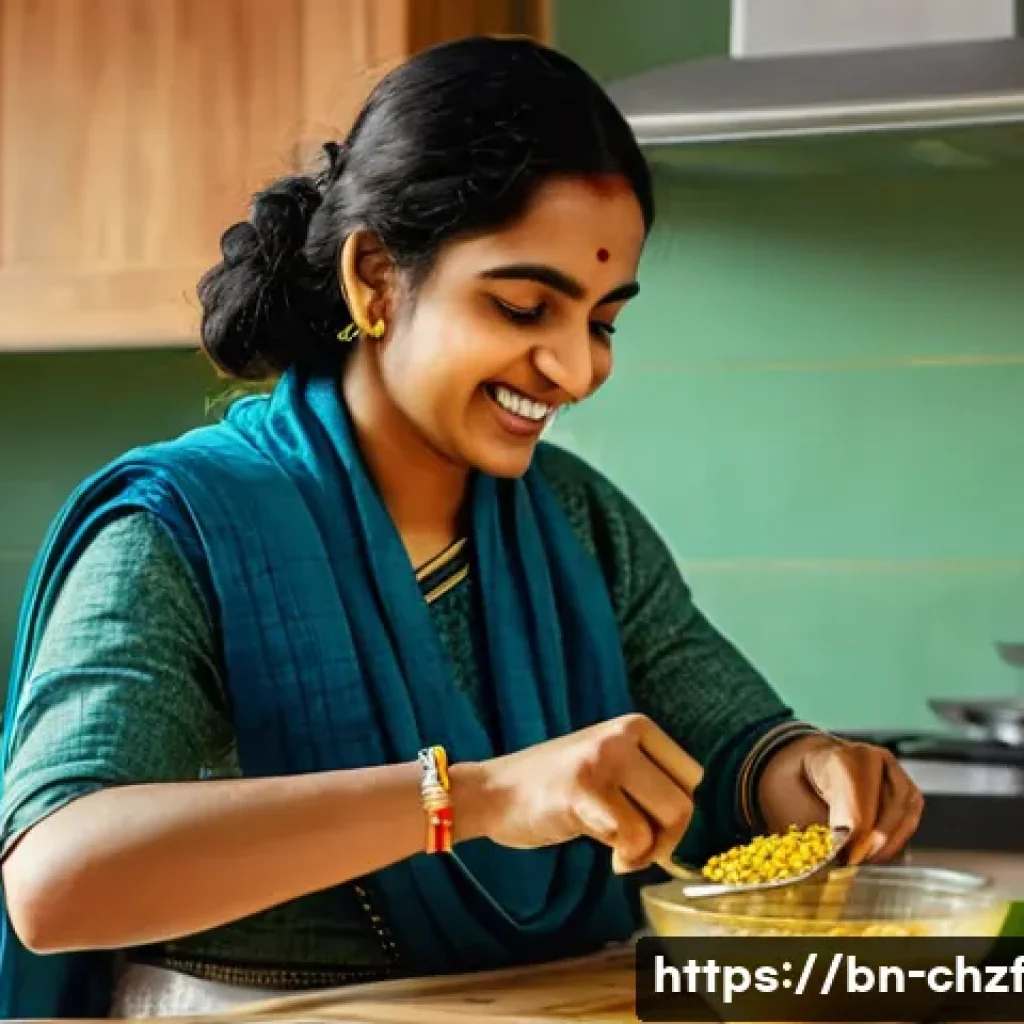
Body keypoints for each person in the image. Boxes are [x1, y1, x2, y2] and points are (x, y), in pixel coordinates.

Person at [0, 35, 922, 1021]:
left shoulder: (577, 522)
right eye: (526, 306)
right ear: (376, 281)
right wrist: (472, 799)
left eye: (603, 322)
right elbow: (56, 878)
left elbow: (731, 751)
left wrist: (810, 775)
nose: (574, 368)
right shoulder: (182, 531)